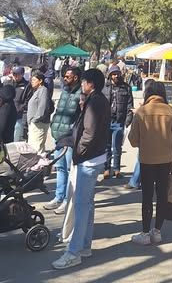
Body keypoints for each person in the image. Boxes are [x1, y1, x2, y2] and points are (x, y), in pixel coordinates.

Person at [52, 68, 110, 270]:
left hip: (88, 160)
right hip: (93, 158)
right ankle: (84, 245)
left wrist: (78, 152)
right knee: (87, 205)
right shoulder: (96, 100)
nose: (82, 85)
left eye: (84, 82)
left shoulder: (95, 102)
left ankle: (74, 251)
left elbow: (89, 133)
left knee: (81, 206)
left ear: (90, 83)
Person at [128, 81, 172, 245]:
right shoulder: (170, 112)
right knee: (162, 195)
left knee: (147, 196)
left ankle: (144, 232)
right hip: (166, 160)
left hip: (147, 160)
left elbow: (133, 140)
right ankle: (157, 231)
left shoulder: (142, 112)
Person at [45, 67, 82, 213]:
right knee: (60, 169)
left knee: (68, 169)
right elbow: (59, 110)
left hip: (69, 138)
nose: (65, 78)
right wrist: (54, 124)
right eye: (64, 76)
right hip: (57, 135)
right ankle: (58, 197)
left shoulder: (81, 94)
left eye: (68, 76)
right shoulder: (65, 91)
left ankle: (67, 200)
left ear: (76, 78)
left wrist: (72, 132)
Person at [102, 65, 134, 178]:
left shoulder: (126, 87)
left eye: (117, 74)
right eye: (113, 74)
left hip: (119, 121)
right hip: (106, 121)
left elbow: (130, 105)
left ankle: (117, 169)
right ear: (110, 75)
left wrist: (128, 120)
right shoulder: (104, 87)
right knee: (106, 146)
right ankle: (106, 169)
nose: (115, 76)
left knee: (117, 147)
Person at [27, 71, 52, 155]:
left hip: (39, 124)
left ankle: (38, 166)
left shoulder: (43, 90)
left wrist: (35, 119)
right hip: (34, 124)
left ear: (40, 81)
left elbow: (42, 107)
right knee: (33, 146)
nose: (32, 82)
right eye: (31, 80)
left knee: (36, 148)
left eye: (34, 80)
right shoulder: (37, 91)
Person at [6, 66, 30, 142]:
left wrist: (20, 108)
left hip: (18, 115)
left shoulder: (27, 85)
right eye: (14, 74)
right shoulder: (8, 83)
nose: (15, 76)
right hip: (7, 114)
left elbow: (27, 100)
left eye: (18, 74)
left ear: (22, 74)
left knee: (16, 136)